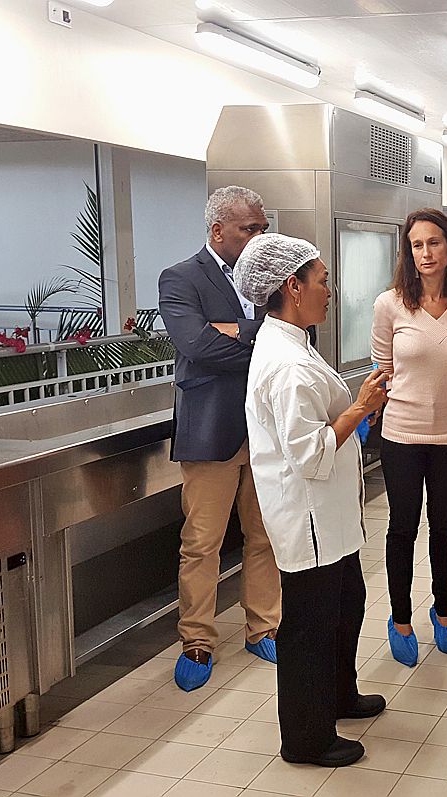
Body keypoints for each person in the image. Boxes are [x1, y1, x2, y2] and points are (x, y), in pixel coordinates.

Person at [234, 233, 390, 767]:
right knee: (310, 627)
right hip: (308, 516)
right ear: (291, 287)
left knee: (348, 606)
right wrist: (361, 408)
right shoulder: (288, 365)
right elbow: (309, 455)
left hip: (332, 515)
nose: (330, 289)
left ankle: (338, 696)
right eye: (322, 280)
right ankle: (305, 737)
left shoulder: (293, 342)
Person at [158, 186, 281, 691]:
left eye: (262, 228)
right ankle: (198, 639)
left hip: (266, 427)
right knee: (202, 542)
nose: (259, 237)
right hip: (211, 431)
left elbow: (300, 333)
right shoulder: (181, 278)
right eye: (249, 229)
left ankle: (263, 626)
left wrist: (233, 331)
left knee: (266, 534)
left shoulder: (269, 278)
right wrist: (257, 336)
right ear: (218, 230)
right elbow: (195, 344)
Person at [370, 208, 447, 667]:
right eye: (416, 245)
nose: (425, 253)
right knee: (402, 527)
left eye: (433, 243)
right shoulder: (390, 304)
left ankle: (443, 613)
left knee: (444, 527)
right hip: (400, 434)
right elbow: (383, 367)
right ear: (407, 252)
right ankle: (400, 619)